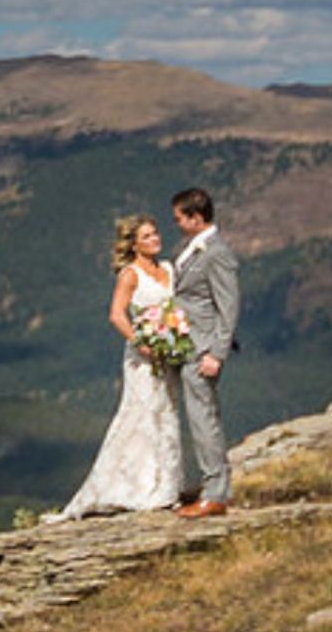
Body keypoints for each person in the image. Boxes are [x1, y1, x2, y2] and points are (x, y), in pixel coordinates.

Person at [49, 214, 189, 518]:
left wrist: (177, 332)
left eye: (156, 234)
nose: (155, 239)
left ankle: (166, 485)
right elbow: (116, 314)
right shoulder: (130, 274)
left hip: (168, 353)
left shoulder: (167, 268)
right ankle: (134, 486)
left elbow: (176, 307)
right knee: (142, 414)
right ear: (134, 244)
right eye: (147, 236)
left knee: (168, 413)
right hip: (142, 357)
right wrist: (141, 341)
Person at [166, 186, 242, 518]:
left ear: (196, 218)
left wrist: (217, 353)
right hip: (188, 345)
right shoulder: (196, 249)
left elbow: (229, 306)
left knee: (203, 419)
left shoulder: (217, 253)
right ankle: (212, 487)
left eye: (180, 218)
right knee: (199, 418)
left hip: (203, 350)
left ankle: (216, 494)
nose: (177, 224)